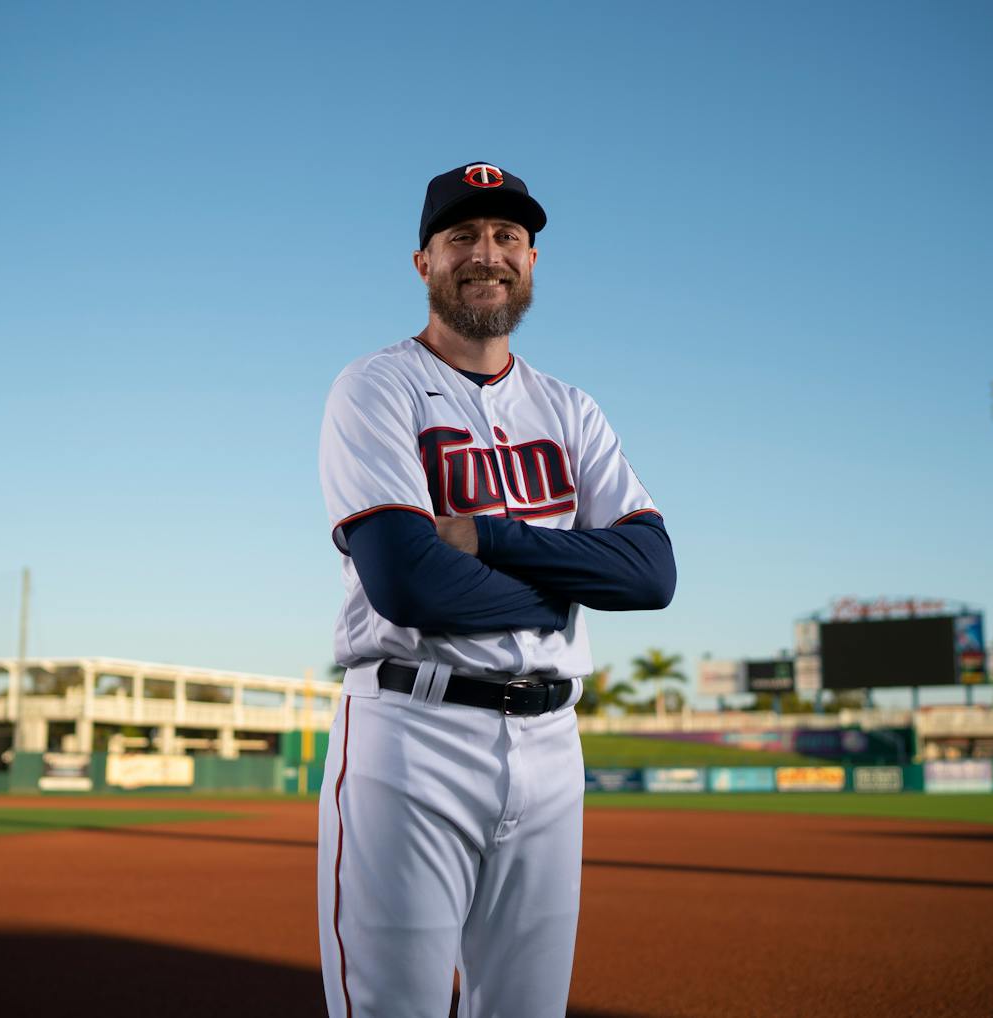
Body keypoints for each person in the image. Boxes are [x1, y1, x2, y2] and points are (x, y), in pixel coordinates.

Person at [316, 161, 676, 1018]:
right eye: (463, 237)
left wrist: (490, 538)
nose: (488, 253)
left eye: (507, 236)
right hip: (412, 735)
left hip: (553, 745)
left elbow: (651, 572)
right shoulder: (376, 387)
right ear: (424, 262)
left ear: (532, 258)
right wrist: (560, 589)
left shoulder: (571, 409)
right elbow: (409, 581)